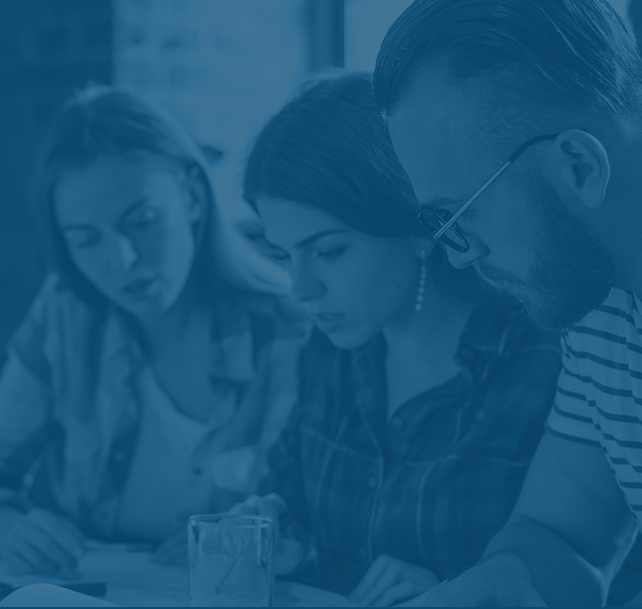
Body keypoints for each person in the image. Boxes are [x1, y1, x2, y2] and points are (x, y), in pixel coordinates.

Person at [373, 0, 642, 606]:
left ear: (578, 166)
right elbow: (562, 534)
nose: (457, 256)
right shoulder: (598, 300)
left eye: (458, 216)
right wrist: (506, 578)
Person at [0, 86, 306, 575]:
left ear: (193, 197)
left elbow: (324, 522)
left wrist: (248, 541)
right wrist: (7, 529)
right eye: (86, 240)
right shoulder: (65, 314)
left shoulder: (292, 329)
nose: (122, 261)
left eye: (142, 222)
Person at [232, 71, 562, 606]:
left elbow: (606, 570)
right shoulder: (331, 349)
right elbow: (294, 504)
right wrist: (282, 537)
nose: (301, 289)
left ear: (417, 229)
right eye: (283, 254)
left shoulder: (540, 358)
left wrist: (458, 597)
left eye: (329, 251)